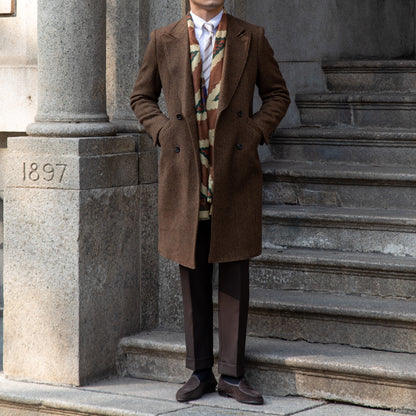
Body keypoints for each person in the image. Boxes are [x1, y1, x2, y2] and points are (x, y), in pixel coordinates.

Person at [130, 0, 290, 405]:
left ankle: (233, 376)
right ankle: (200, 371)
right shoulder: (162, 38)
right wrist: (165, 132)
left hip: (233, 171)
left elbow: (277, 94)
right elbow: (141, 97)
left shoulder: (250, 36)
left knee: (235, 270)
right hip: (186, 173)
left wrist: (255, 132)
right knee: (192, 273)